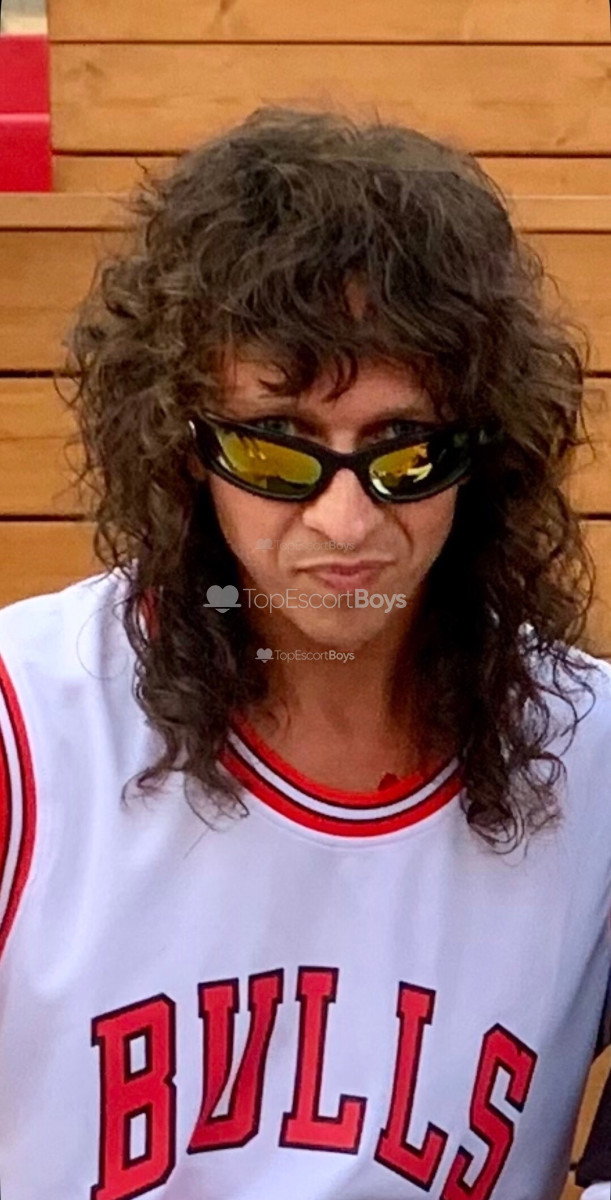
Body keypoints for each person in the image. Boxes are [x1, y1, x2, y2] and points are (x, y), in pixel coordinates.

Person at [0, 103, 610, 1200]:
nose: (345, 521)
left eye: (404, 451)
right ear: (184, 446)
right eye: (278, 451)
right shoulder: (24, 725)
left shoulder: (594, 751)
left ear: (483, 449)